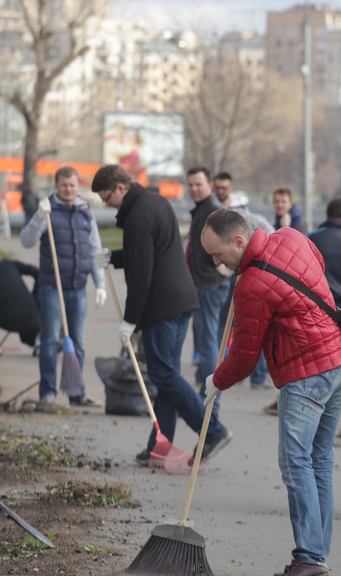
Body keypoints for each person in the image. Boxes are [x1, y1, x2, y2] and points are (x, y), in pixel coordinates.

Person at [201, 208, 341, 576]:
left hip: (307, 375)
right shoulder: (292, 236)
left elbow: (244, 356)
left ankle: (308, 557)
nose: (216, 263)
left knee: (296, 461)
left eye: (219, 254)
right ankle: (316, 556)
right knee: (319, 459)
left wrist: (215, 382)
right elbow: (316, 269)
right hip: (340, 362)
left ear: (239, 240)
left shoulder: (250, 285)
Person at [91, 164, 232, 464]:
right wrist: (115, 257)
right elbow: (147, 252)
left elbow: (142, 273)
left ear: (120, 187)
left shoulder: (138, 216)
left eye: (107, 198)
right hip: (181, 299)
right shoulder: (154, 202)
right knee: (167, 374)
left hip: (163, 304)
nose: (106, 205)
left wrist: (130, 321)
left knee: (163, 374)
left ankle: (213, 431)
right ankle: (160, 443)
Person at [20, 165, 107, 410]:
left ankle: (76, 392)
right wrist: (38, 216)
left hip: (78, 287)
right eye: (63, 185)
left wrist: (99, 283)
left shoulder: (84, 210)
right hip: (51, 288)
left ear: (77, 186)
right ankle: (47, 393)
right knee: (49, 341)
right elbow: (26, 241)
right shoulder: (48, 211)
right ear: (56, 186)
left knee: (77, 342)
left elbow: (94, 249)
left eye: (72, 185)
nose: (68, 189)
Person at [214, 170, 273, 389]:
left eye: (224, 188)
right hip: (223, 278)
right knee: (224, 324)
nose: (220, 191)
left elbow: (269, 234)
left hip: (246, 275)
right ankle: (225, 370)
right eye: (217, 187)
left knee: (252, 325)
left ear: (230, 188)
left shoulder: (243, 215)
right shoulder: (211, 210)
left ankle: (256, 376)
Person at [185, 166, 231, 405]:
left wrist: (220, 268)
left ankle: (212, 399)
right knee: (205, 340)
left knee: (207, 342)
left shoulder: (213, 210)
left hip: (210, 285)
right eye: (190, 184)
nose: (194, 189)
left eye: (198, 184)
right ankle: (207, 390)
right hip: (203, 284)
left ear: (209, 185)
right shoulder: (202, 209)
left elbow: (229, 244)